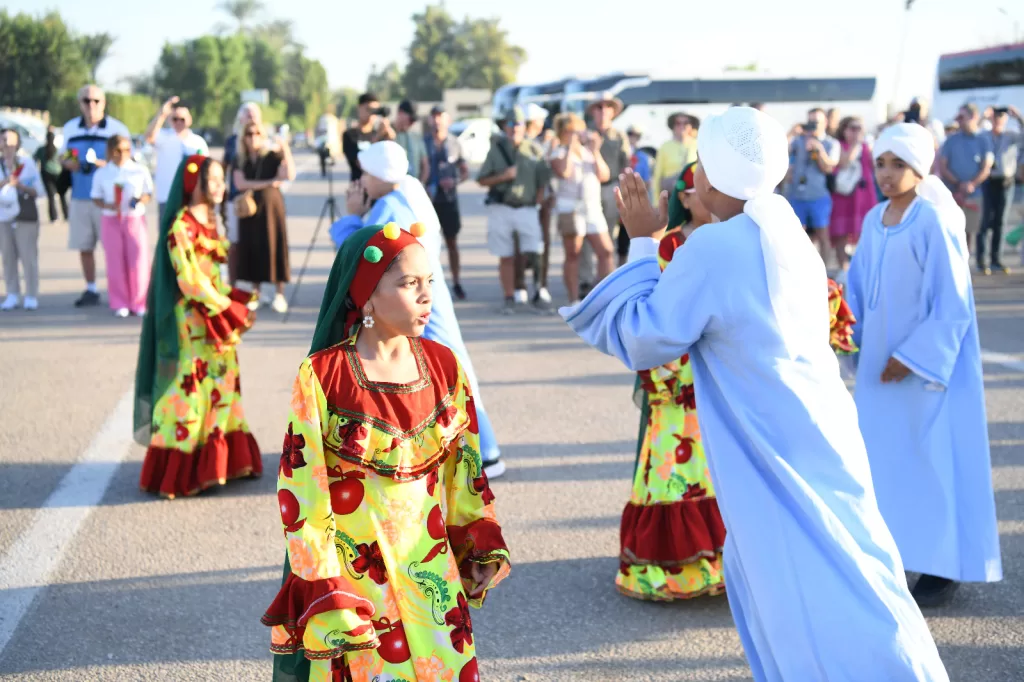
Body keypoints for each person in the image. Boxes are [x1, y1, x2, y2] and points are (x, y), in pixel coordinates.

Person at [560, 106, 949, 681]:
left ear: (713, 176)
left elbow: (644, 339)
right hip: (818, 430)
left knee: (802, 592)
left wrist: (644, 241)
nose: (690, 178)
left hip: (770, 450)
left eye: (698, 167)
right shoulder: (784, 226)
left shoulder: (717, 248)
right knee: (856, 567)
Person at [263, 224, 510, 682]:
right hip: (360, 582)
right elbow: (303, 488)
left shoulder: (444, 365)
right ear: (367, 298)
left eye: (429, 282)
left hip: (432, 572)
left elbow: (466, 470)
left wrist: (476, 539)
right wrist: (325, 583)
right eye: (408, 283)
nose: (425, 295)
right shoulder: (323, 375)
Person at [846, 123, 1002, 608]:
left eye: (898, 165)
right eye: (881, 164)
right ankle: (894, 554)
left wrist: (911, 358)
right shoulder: (874, 220)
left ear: (920, 168)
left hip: (924, 372)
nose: (887, 175)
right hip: (878, 366)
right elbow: (856, 289)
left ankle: (941, 565)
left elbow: (952, 304)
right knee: (883, 461)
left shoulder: (934, 221)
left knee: (930, 458)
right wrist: (849, 336)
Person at [330, 141, 506, 478]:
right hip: (427, 293)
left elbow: (361, 254)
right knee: (448, 368)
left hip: (413, 299)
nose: (362, 180)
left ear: (381, 175)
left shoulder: (390, 207)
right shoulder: (409, 189)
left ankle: (482, 453)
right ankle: (479, 451)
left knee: (439, 372)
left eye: (367, 173)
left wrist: (351, 214)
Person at [618, 161, 726, 602]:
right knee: (672, 470)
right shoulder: (668, 248)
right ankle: (674, 569)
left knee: (718, 472)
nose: (711, 195)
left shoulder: (729, 242)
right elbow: (649, 312)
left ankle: (720, 562)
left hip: (718, 380)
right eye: (703, 186)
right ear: (683, 196)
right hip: (676, 381)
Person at [132, 155, 262, 498]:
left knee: (225, 383)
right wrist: (228, 308)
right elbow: (190, 281)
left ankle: (224, 464)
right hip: (192, 320)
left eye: (221, 179)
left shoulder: (212, 219)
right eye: (214, 180)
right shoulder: (180, 226)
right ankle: (182, 470)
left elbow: (215, 273)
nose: (220, 186)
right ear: (194, 183)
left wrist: (235, 299)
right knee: (190, 388)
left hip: (217, 316)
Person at [60, 84, 131, 308]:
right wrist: (71, 163)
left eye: (96, 101)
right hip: (81, 195)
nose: (91, 105)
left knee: (114, 248)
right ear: (80, 103)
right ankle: (91, 288)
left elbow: (128, 161)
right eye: (86, 101)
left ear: (104, 103)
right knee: (85, 245)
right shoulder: (71, 128)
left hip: (109, 199)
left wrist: (102, 164)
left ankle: (120, 290)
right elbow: (65, 156)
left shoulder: (116, 128)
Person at [477, 107, 549, 314]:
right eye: (509, 124)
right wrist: (503, 176)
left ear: (524, 127)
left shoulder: (534, 149)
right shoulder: (495, 150)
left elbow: (543, 180)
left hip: (526, 207)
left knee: (534, 250)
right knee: (505, 254)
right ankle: (509, 297)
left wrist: (538, 200)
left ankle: (538, 291)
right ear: (504, 127)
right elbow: (482, 179)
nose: (513, 128)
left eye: (517, 124)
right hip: (501, 208)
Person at [549, 113, 615, 305]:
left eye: (579, 131)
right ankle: (573, 298)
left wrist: (595, 151)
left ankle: (602, 296)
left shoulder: (588, 152)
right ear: (562, 133)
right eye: (571, 131)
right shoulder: (558, 153)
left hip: (592, 208)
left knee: (606, 251)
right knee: (573, 254)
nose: (577, 135)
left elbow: (604, 175)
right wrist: (570, 146)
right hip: (571, 208)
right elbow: (564, 171)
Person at [232, 121, 296, 313]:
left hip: (271, 207)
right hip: (249, 208)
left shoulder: (271, 155)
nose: (253, 138)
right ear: (243, 137)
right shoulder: (240, 159)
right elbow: (240, 183)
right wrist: (269, 182)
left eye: (257, 133)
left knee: (274, 245)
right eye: (249, 134)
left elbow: (289, 174)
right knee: (253, 247)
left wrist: (284, 147)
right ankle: (256, 293)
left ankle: (279, 294)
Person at [90, 134, 154, 317]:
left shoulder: (138, 170)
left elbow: (148, 193)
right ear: (110, 151)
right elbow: (95, 197)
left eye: (127, 149)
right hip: (111, 219)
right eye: (118, 150)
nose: (123, 154)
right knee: (115, 260)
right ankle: (120, 302)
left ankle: (139, 302)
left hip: (134, 218)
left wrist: (140, 199)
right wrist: (107, 205)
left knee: (138, 259)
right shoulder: (102, 173)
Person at [578, 94, 632, 297]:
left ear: (612, 111)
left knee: (607, 233)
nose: (602, 111)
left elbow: (626, 163)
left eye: (607, 107)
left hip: (610, 187)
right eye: (598, 107)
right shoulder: (584, 134)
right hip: (587, 187)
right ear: (593, 111)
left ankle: (604, 279)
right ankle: (584, 278)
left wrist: (626, 189)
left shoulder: (619, 136)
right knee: (584, 234)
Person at [939, 103, 994, 266]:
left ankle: (963, 264)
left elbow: (986, 167)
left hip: (973, 194)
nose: (959, 121)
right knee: (950, 229)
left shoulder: (984, 140)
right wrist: (958, 184)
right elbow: (943, 165)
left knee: (969, 230)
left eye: (962, 117)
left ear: (974, 117)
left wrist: (971, 184)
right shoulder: (951, 140)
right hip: (952, 194)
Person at [424, 106, 470, 300]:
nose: (437, 121)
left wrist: (455, 181)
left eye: (440, 117)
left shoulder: (454, 143)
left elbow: (465, 171)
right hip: (427, 201)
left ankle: (457, 282)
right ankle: (426, 285)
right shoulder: (423, 143)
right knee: (425, 245)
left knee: (452, 242)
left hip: (449, 200)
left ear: (448, 120)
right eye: (434, 117)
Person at [786, 107, 840, 262]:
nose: (812, 125)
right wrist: (791, 132)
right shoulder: (798, 140)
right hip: (797, 195)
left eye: (816, 122)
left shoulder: (831, 143)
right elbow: (780, 150)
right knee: (797, 236)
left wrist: (819, 149)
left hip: (819, 196)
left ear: (826, 123)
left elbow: (830, 167)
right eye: (809, 121)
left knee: (823, 234)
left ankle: (825, 272)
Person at [144, 96, 210, 217]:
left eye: (182, 119)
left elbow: (206, 169)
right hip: (167, 196)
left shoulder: (198, 142)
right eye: (175, 119)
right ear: (170, 120)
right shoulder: (163, 136)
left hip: (191, 197)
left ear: (189, 120)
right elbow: (148, 137)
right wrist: (162, 114)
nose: (179, 122)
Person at [0, 128, 43, 311]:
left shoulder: (27, 164)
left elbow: (39, 191)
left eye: (11, 142)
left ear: (17, 144)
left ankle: (31, 295)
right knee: (8, 256)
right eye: (4, 141)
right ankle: (12, 293)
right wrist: (5, 182)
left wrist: (21, 186)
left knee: (28, 256)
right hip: (3, 216)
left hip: (25, 216)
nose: (8, 146)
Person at [830, 116, 877, 276]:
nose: (856, 131)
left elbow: (874, 165)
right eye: (852, 128)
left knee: (864, 230)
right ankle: (843, 268)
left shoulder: (866, 146)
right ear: (844, 129)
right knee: (841, 232)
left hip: (864, 194)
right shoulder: (839, 145)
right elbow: (844, 162)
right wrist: (856, 144)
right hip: (843, 196)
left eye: (859, 128)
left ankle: (862, 267)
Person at [978, 106, 1022, 274]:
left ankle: (996, 259)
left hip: (1005, 182)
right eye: (995, 118)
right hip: (988, 181)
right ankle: (982, 261)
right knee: (985, 221)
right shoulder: (984, 135)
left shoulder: (1010, 135)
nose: (997, 121)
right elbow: (975, 133)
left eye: (1001, 118)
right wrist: (983, 117)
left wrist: (1017, 116)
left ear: (1005, 120)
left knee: (1000, 222)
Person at [223, 103, 263, 284]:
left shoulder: (263, 140)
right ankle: (231, 285)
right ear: (240, 118)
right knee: (234, 243)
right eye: (248, 114)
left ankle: (256, 288)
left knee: (257, 243)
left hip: (259, 199)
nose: (251, 117)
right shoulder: (232, 141)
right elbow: (225, 167)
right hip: (236, 198)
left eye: (254, 114)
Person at [342, 92, 394, 182]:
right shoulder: (349, 135)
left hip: (379, 187)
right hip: (359, 188)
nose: (371, 114)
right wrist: (378, 137)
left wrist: (390, 137)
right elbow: (361, 163)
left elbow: (389, 161)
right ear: (359, 108)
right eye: (368, 109)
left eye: (375, 111)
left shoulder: (379, 133)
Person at [650, 112, 698, 200]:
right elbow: (657, 176)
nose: (682, 126)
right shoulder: (665, 146)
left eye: (686, 123)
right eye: (678, 123)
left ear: (691, 126)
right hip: (671, 193)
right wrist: (657, 202)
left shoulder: (697, 145)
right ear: (673, 126)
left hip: (693, 193)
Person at [34, 130, 67, 223]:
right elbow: (64, 160)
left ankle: (53, 217)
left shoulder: (41, 150)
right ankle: (66, 214)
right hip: (58, 173)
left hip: (46, 174)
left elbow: (34, 159)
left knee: (51, 196)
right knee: (62, 195)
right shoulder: (58, 149)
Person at [394, 99, 428, 183]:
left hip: (413, 184)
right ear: (400, 114)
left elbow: (425, 165)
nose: (411, 123)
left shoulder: (416, 137)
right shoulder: (390, 135)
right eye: (410, 119)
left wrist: (421, 184)